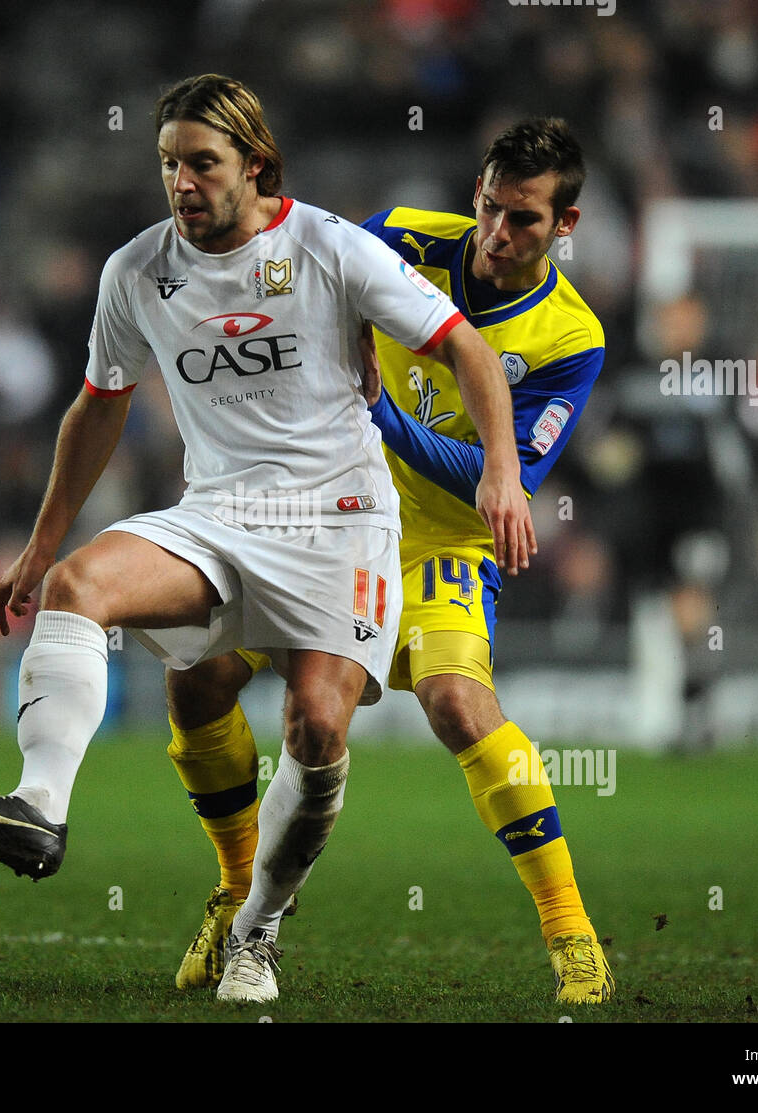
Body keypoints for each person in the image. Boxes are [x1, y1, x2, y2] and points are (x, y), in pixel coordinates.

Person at [0, 74, 534, 1005]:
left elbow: (467, 349)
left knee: (317, 729)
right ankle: (37, 810)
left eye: (203, 163)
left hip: (341, 523)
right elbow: (97, 406)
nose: (182, 183)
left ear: (256, 167)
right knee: (80, 587)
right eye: (168, 164)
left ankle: (256, 931)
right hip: (220, 514)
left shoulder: (328, 247)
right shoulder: (136, 271)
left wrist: (501, 471)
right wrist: (39, 548)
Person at [165, 118, 615, 1004]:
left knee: (457, 703)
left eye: (522, 220)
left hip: (440, 544)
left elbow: (492, 488)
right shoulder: (402, 236)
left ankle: (572, 933)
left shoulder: (572, 339)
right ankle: (236, 898)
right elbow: (296, 274)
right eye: (487, 206)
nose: (493, 234)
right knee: (200, 678)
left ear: (566, 225)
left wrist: (381, 411)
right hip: (322, 517)